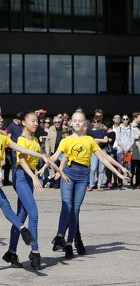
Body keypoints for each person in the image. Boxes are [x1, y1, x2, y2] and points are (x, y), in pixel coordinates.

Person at [0, 102, 56, 274]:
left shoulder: (3, 136)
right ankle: (22, 229)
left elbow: (21, 149)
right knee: (3, 201)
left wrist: (41, 154)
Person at [49, 111, 130, 259]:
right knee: (66, 205)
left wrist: (119, 171)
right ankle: (60, 235)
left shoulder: (89, 140)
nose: (78, 123)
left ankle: (68, 243)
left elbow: (104, 157)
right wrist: (49, 167)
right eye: (75, 120)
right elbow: (57, 156)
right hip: (69, 173)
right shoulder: (66, 140)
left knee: (75, 210)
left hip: (82, 176)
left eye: (81, 121)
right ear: (71, 123)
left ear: (85, 124)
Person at [7, 111, 67, 271]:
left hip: (28, 178)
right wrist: (33, 177)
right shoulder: (20, 139)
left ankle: (11, 252)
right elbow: (21, 160)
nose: (35, 123)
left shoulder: (34, 140)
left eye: (37, 121)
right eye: (32, 121)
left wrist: (61, 173)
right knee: (33, 213)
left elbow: (47, 158)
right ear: (23, 123)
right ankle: (35, 252)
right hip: (21, 177)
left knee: (20, 216)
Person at [86, 117, 108, 191]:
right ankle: (91, 185)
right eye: (94, 122)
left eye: (98, 122)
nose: (96, 123)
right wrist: (96, 141)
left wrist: (96, 139)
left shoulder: (103, 131)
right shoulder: (89, 132)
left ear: (100, 123)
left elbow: (106, 140)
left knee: (101, 169)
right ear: (92, 123)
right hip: (93, 151)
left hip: (102, 150)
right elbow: (89, 141)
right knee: (93, 168)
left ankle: (99, 185)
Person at [116, 114, 135, 189]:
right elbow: (118, 140)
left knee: (129, 167)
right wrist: (124, 148)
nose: (125, 121)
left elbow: (132, 139)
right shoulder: (119, 128)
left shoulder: (130, 128)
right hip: (121, 150)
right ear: (121, 120)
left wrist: (128, 148)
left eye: (126, 119)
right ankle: (120, 183)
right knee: (120, 166)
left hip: (129, 150)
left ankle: (129, 183)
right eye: (123, 119)